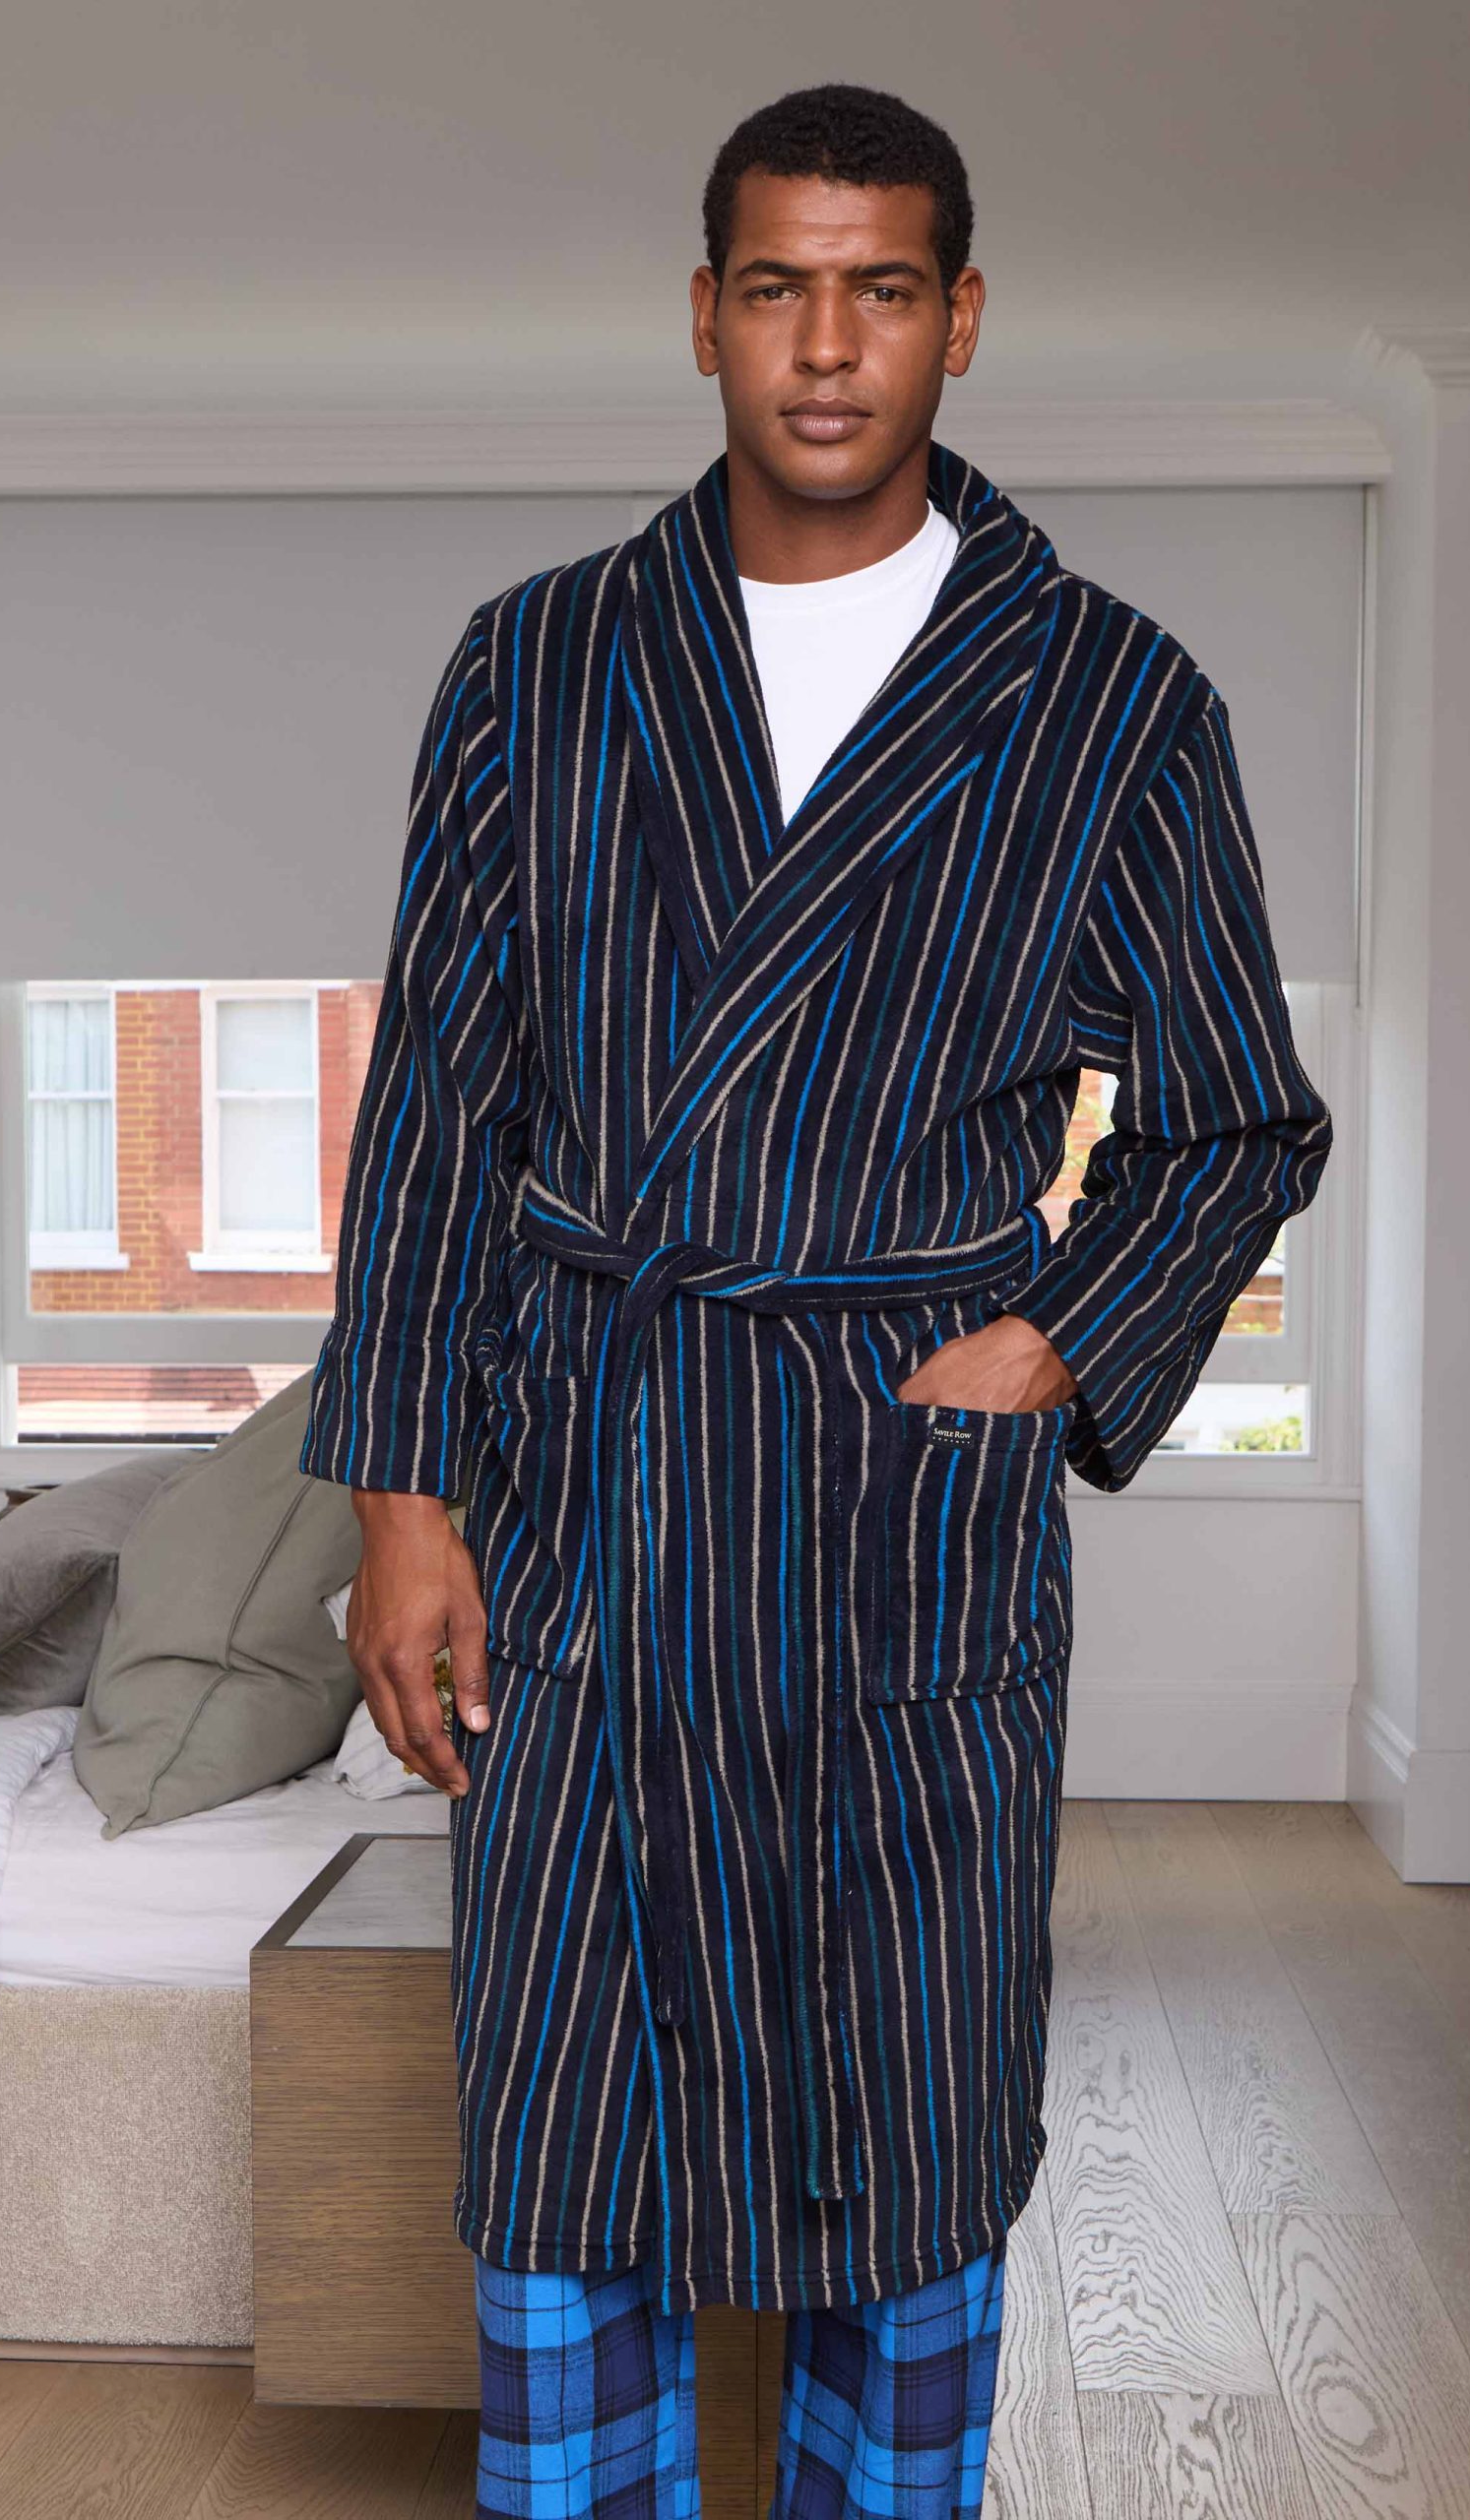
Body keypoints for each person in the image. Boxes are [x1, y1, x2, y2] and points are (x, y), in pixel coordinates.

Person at [300, 79, 1333, 2520]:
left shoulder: (1105, 698)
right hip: (590, 1486)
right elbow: (440, 1106)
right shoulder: (539, 664)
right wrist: (401, 1501)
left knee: (908, 2108)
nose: (828, 345)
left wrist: (1051, 1337)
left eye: (881, 290)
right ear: (704, 316)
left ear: (961, 318)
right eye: (778, 287)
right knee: (569, 2115)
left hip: (897, 1493)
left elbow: (1234, 1116)